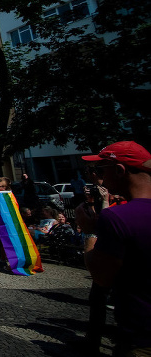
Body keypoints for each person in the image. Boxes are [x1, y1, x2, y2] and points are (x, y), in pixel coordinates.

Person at [83, 141, 151, 355]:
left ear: (120, 171)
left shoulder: (116, 217)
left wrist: (89, 232)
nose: (97, 175)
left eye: (101, 169)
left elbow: (101, 276)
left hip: (140, 334)